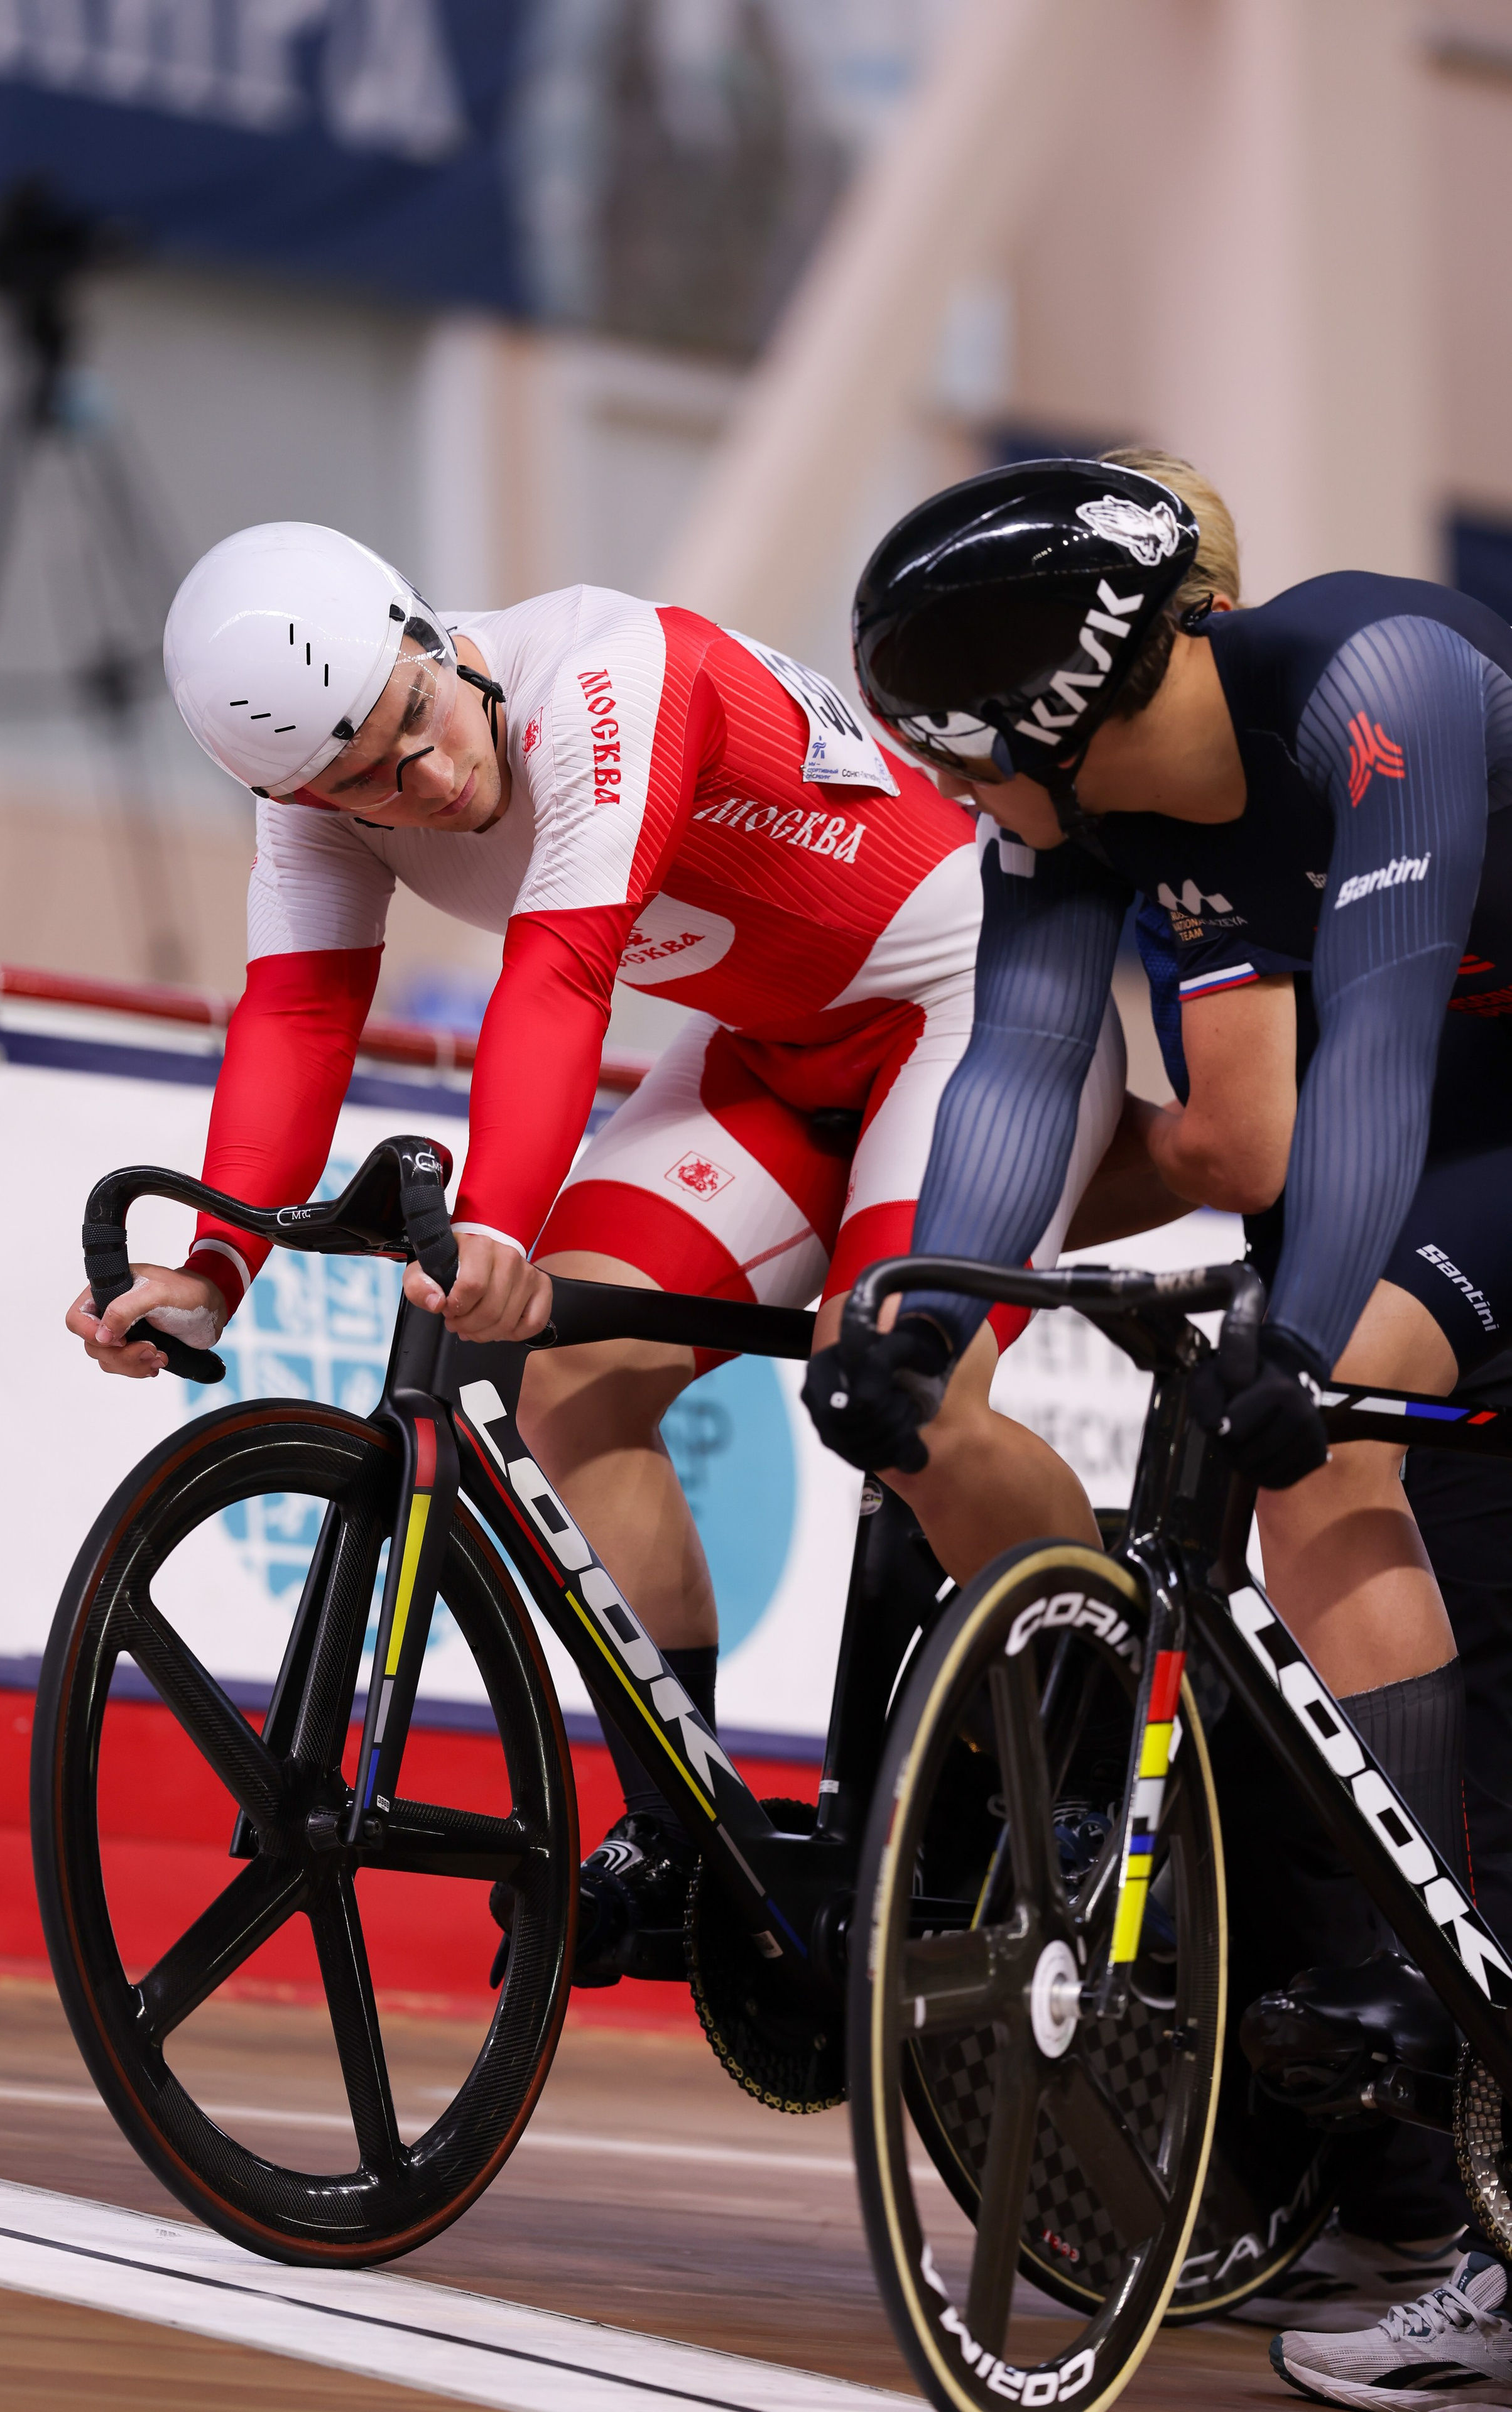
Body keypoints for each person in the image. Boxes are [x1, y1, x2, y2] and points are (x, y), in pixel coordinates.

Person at [65, 520, 1124, 1985]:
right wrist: (210, 1265)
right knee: (562, 1386)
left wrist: (497, 1219)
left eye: (416, 725)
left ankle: (1100, 1775)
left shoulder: (613, 676)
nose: (420, 784)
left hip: (968, 1004)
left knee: (902, 1400)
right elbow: (300, 1017)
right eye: (361, 782)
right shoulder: (314, 793)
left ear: (429, 636)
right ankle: (684, 1821)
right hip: (770, 1051)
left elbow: (559, 976)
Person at [806, 452, 1512, 2398]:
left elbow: (1361, 1048)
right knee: (1307, 1473)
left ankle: (1421, 2015)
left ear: (1038, 713)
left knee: (1325, 1419)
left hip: (1446, 1096)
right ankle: (1435, 2041)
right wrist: (927, 1326)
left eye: (954, 760)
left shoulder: (1387, 685)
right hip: (1471, 1112)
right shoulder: (1080, 822)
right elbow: (1024, 1071)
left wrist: (1303, 1330)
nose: (950, 802)